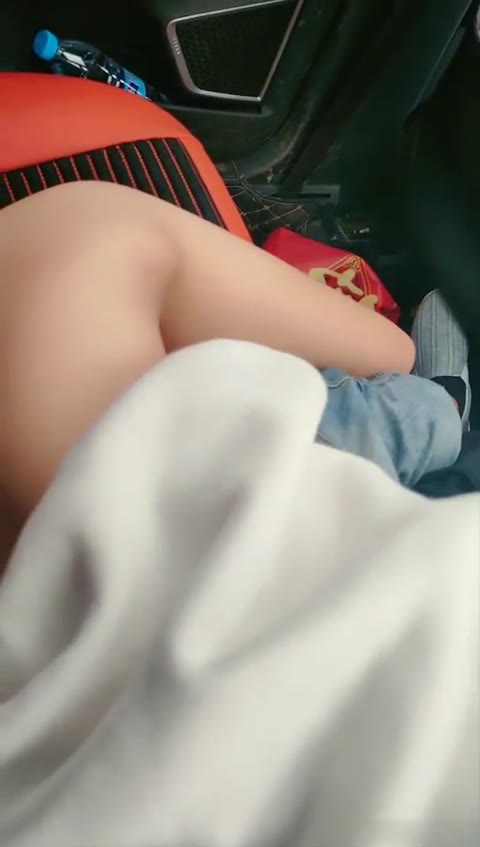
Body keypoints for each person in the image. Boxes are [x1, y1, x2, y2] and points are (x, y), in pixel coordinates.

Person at [0, 181, 464, 562]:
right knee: (409, 378)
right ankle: (448, 402)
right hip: (264, 540)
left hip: (227, 535)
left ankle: (444, 407)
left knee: (92, 235)